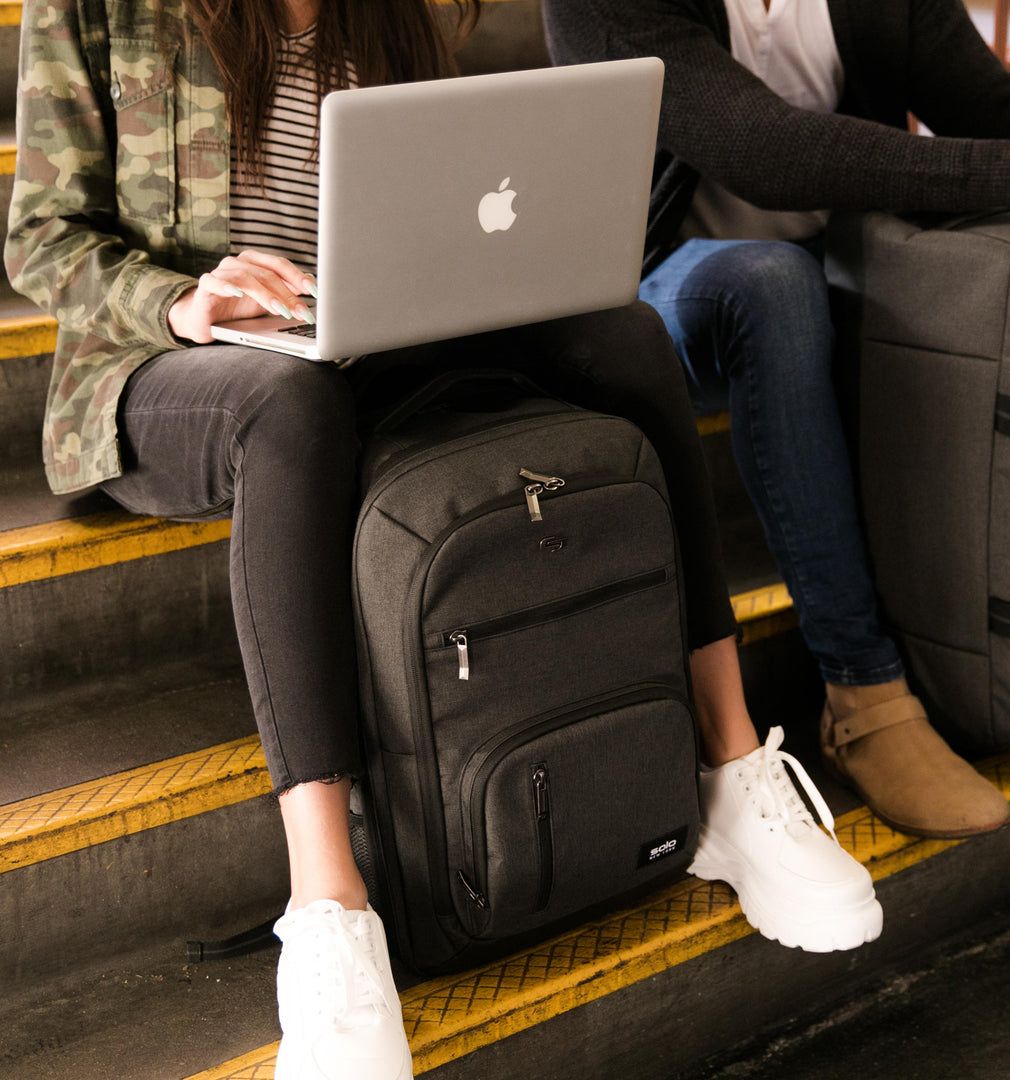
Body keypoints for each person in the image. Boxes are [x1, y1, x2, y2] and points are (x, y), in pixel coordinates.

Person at [7, 0, 884, 1076]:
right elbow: (41, 240)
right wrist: (190, 299)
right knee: (291, 413)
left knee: (626, 335)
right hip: (168, 357)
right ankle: (329, 905)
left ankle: (731, 768)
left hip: (363, 331)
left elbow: (449, 194)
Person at [544, 0, 1010, 840]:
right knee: (773, 283)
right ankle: (863, 697)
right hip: (646, 294)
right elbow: (763, 149)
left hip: (839, 281)